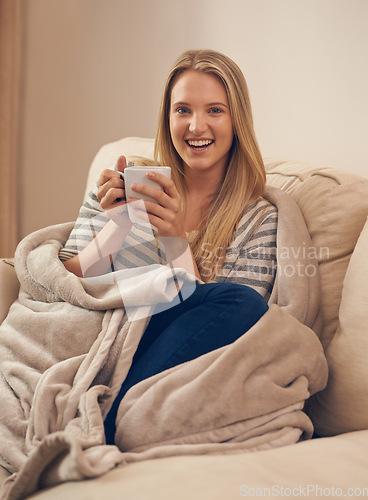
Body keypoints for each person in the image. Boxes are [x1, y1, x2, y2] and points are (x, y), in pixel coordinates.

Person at [59, 49, 278, 445]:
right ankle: (106, 419)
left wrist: (177, 240)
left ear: (236, 121)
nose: (197, 126)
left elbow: (229, 328)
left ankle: (107, 418)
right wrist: (117, 227)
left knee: (245, 304)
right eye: (183, 110)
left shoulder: (257, 218)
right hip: (107, 336)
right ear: (168, 118)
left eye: (215, 110)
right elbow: (67, 286)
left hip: (174, 361)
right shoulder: (127, 182)